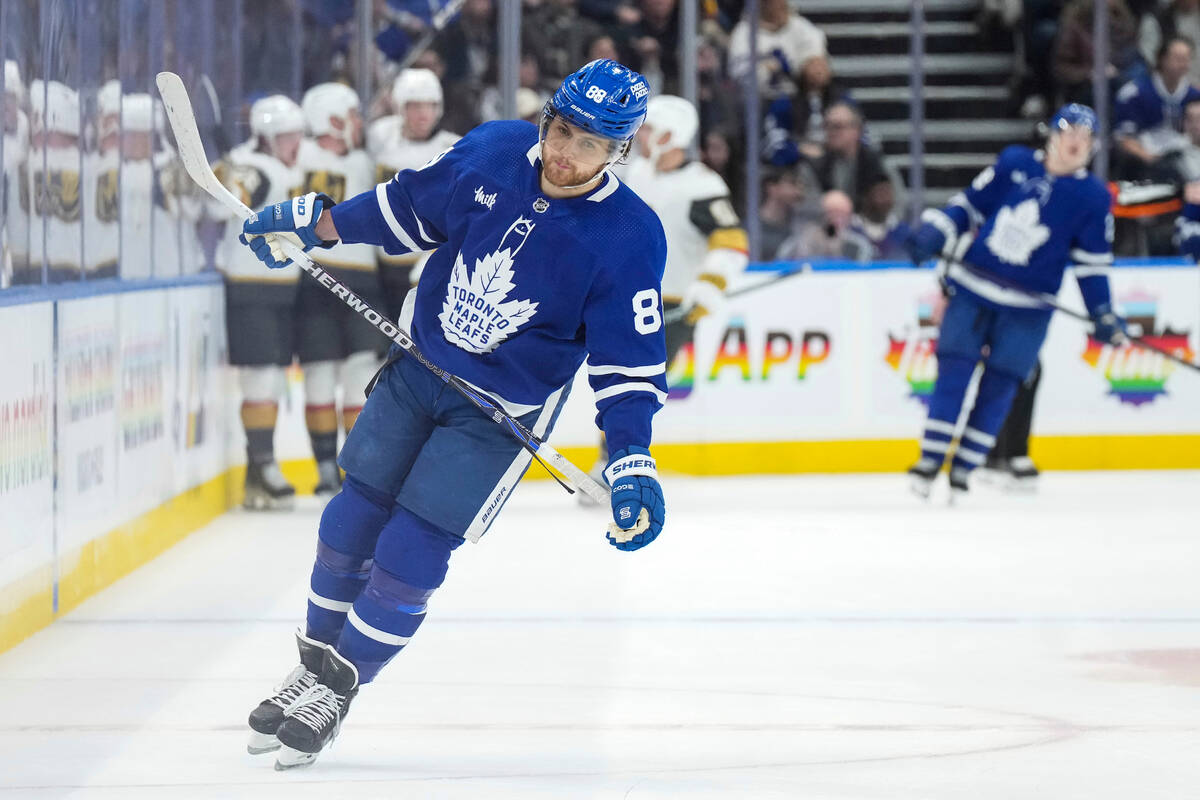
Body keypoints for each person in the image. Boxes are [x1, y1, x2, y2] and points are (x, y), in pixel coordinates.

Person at [236, 59, 668, 770]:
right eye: (562, 131)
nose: (566, 153)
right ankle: (312, 668)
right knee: (348, 520)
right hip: (418, 369)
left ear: (618, 150)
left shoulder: (629, 236)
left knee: (410, 549)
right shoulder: (494, 149)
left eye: (589, 144)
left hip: (497, 414)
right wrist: (321, 224)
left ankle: (338, 690)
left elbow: (628, 370)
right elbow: (408, 208)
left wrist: (630, 457)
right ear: (546, 119)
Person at [903, 104, 1124, 499]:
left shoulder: (1092, 197)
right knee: (954, 369)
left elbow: (1092, 265)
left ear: (1092, 146)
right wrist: (934, 234)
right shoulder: (1014, 164)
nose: (1075, 141)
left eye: (1084, 137)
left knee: (1001, 384)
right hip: (973, 289)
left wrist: (1102, 312)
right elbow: (969, 205)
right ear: (1051, 135)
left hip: (1028, 310)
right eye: (1068, 131)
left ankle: (965, 468)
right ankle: (931, 459)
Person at [580, 94, 746, 491]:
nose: (643, 137)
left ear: (672, 135)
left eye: (650, 130)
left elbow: (731, 242)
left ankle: (616, 463)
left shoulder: (701, 185)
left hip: (667, 305)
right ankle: (613, 459)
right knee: (615, 382)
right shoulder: (634, 174)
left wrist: (709, 284)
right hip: (616, 293)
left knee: (633, 388)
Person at [213, 95, 306, 510]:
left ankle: (256, 474)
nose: (295, 142)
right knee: (261, 379)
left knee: (270, 379)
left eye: (298, 134)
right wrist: (228, 178)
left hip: (282, 288)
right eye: (287, 135)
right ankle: (264, 465)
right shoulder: (256, 167)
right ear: (267, 137)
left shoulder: (289, 167)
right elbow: (223, 205)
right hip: (252, 288)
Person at [295, 82, 384, 496]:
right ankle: (325, 469)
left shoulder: (367, 161)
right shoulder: (299, 157)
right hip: (314, 277)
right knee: (319, 372)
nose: (359, 123)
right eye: (352, 114)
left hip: (363, 280)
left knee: (359, 374)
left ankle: (354, 469)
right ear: (333, 119)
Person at [368, 68, 461, 319]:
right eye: (414, 106)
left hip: (429, 262)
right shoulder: (380, 137)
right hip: (383, 262)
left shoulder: (453, 148)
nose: (423, 114)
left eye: (430, 105)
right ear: (400, 107)